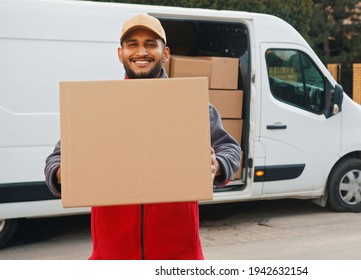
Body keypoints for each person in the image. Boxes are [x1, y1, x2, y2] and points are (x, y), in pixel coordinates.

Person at [44, 13, 241, 260]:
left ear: (165, 53)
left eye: (150, 44)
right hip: (112, 255)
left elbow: (230, 150)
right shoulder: (100, 106)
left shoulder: (189, 104)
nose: (141, 52)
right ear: (120, 54)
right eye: (132, 44)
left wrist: (218, 165)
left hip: (178, 254)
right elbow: (56, 158)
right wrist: (62, 173)